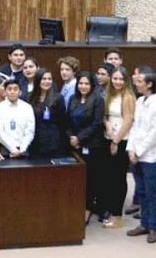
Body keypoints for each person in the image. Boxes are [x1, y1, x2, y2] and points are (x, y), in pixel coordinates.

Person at [126, 67, 156, 244]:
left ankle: (152, 227)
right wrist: (130, 149)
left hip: (150, 156)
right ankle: (143, 223)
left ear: (149, 84)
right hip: (136, 154)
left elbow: (155, 133)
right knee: (141, 190)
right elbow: (134, 127)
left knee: (151, 192)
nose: (136, 83)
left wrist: (138, 151)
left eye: (140, 81)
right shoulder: (140, 101)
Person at [100, 66, 136, 229]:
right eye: (115, 78)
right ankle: (110, 211)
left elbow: (128, 121)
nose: (117, 82)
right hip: (107, 139)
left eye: (121, 79)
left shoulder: (128, 97)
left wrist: (116, 141)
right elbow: (105, 115)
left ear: (126, 80)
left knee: (118, 179)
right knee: (108, 178)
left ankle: (118, 216)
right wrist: (107, 125)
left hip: (121, 141)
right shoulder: (109, 95)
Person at [66, 71, 105, 222]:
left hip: (92, 145)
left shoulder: (97, 100)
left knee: (90, 178)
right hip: (74, 145)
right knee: (77, 178)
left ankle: (88, 208)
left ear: (92, 85)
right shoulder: (72, 98)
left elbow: (97, 124)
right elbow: (67, 121)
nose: (83, 86)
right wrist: (71, 137)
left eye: (86, 84)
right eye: (80, 83)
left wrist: (79, 138)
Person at [28, 68, 66, 159]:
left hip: (53, 142)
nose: (47, 81)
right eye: (44, 79)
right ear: (38, 80)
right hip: (35, 141)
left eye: (49, 79)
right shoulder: (30, 97)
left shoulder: (57, 98)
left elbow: (63, 122)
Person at [0, 78, 35, 158]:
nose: (12, 92)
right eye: (9, 89)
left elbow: (30, 131)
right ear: (5, 92)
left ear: (20, 92)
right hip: (6, 151)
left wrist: (22, 150)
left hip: (24, 149)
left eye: (15, 89)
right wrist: (13, 150)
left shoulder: (27, 107)